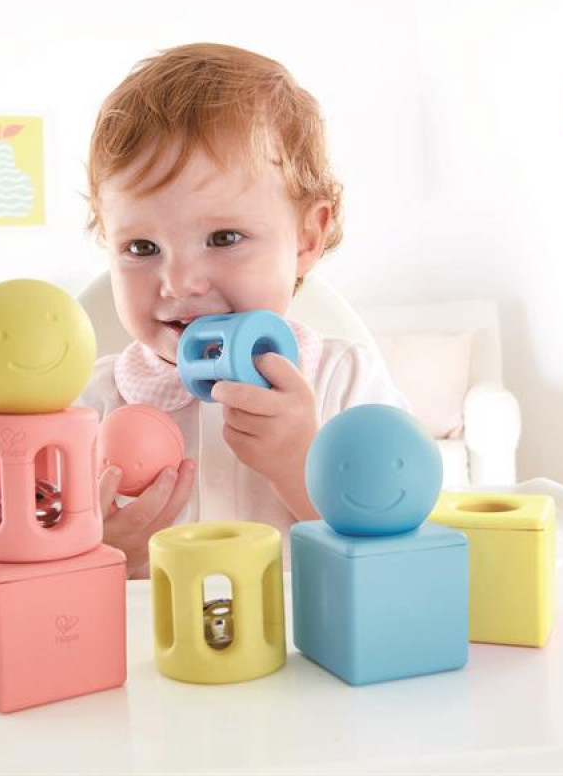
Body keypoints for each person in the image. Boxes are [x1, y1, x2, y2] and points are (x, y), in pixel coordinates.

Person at [80, 42, 407, 577]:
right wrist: (99, 552)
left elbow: (400, 557)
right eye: (141, 247)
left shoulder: (345, 383)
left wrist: (301, 466)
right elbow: (40, 586)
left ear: (306, 238)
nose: (179, 283)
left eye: (224, 238)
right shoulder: (89, 408)